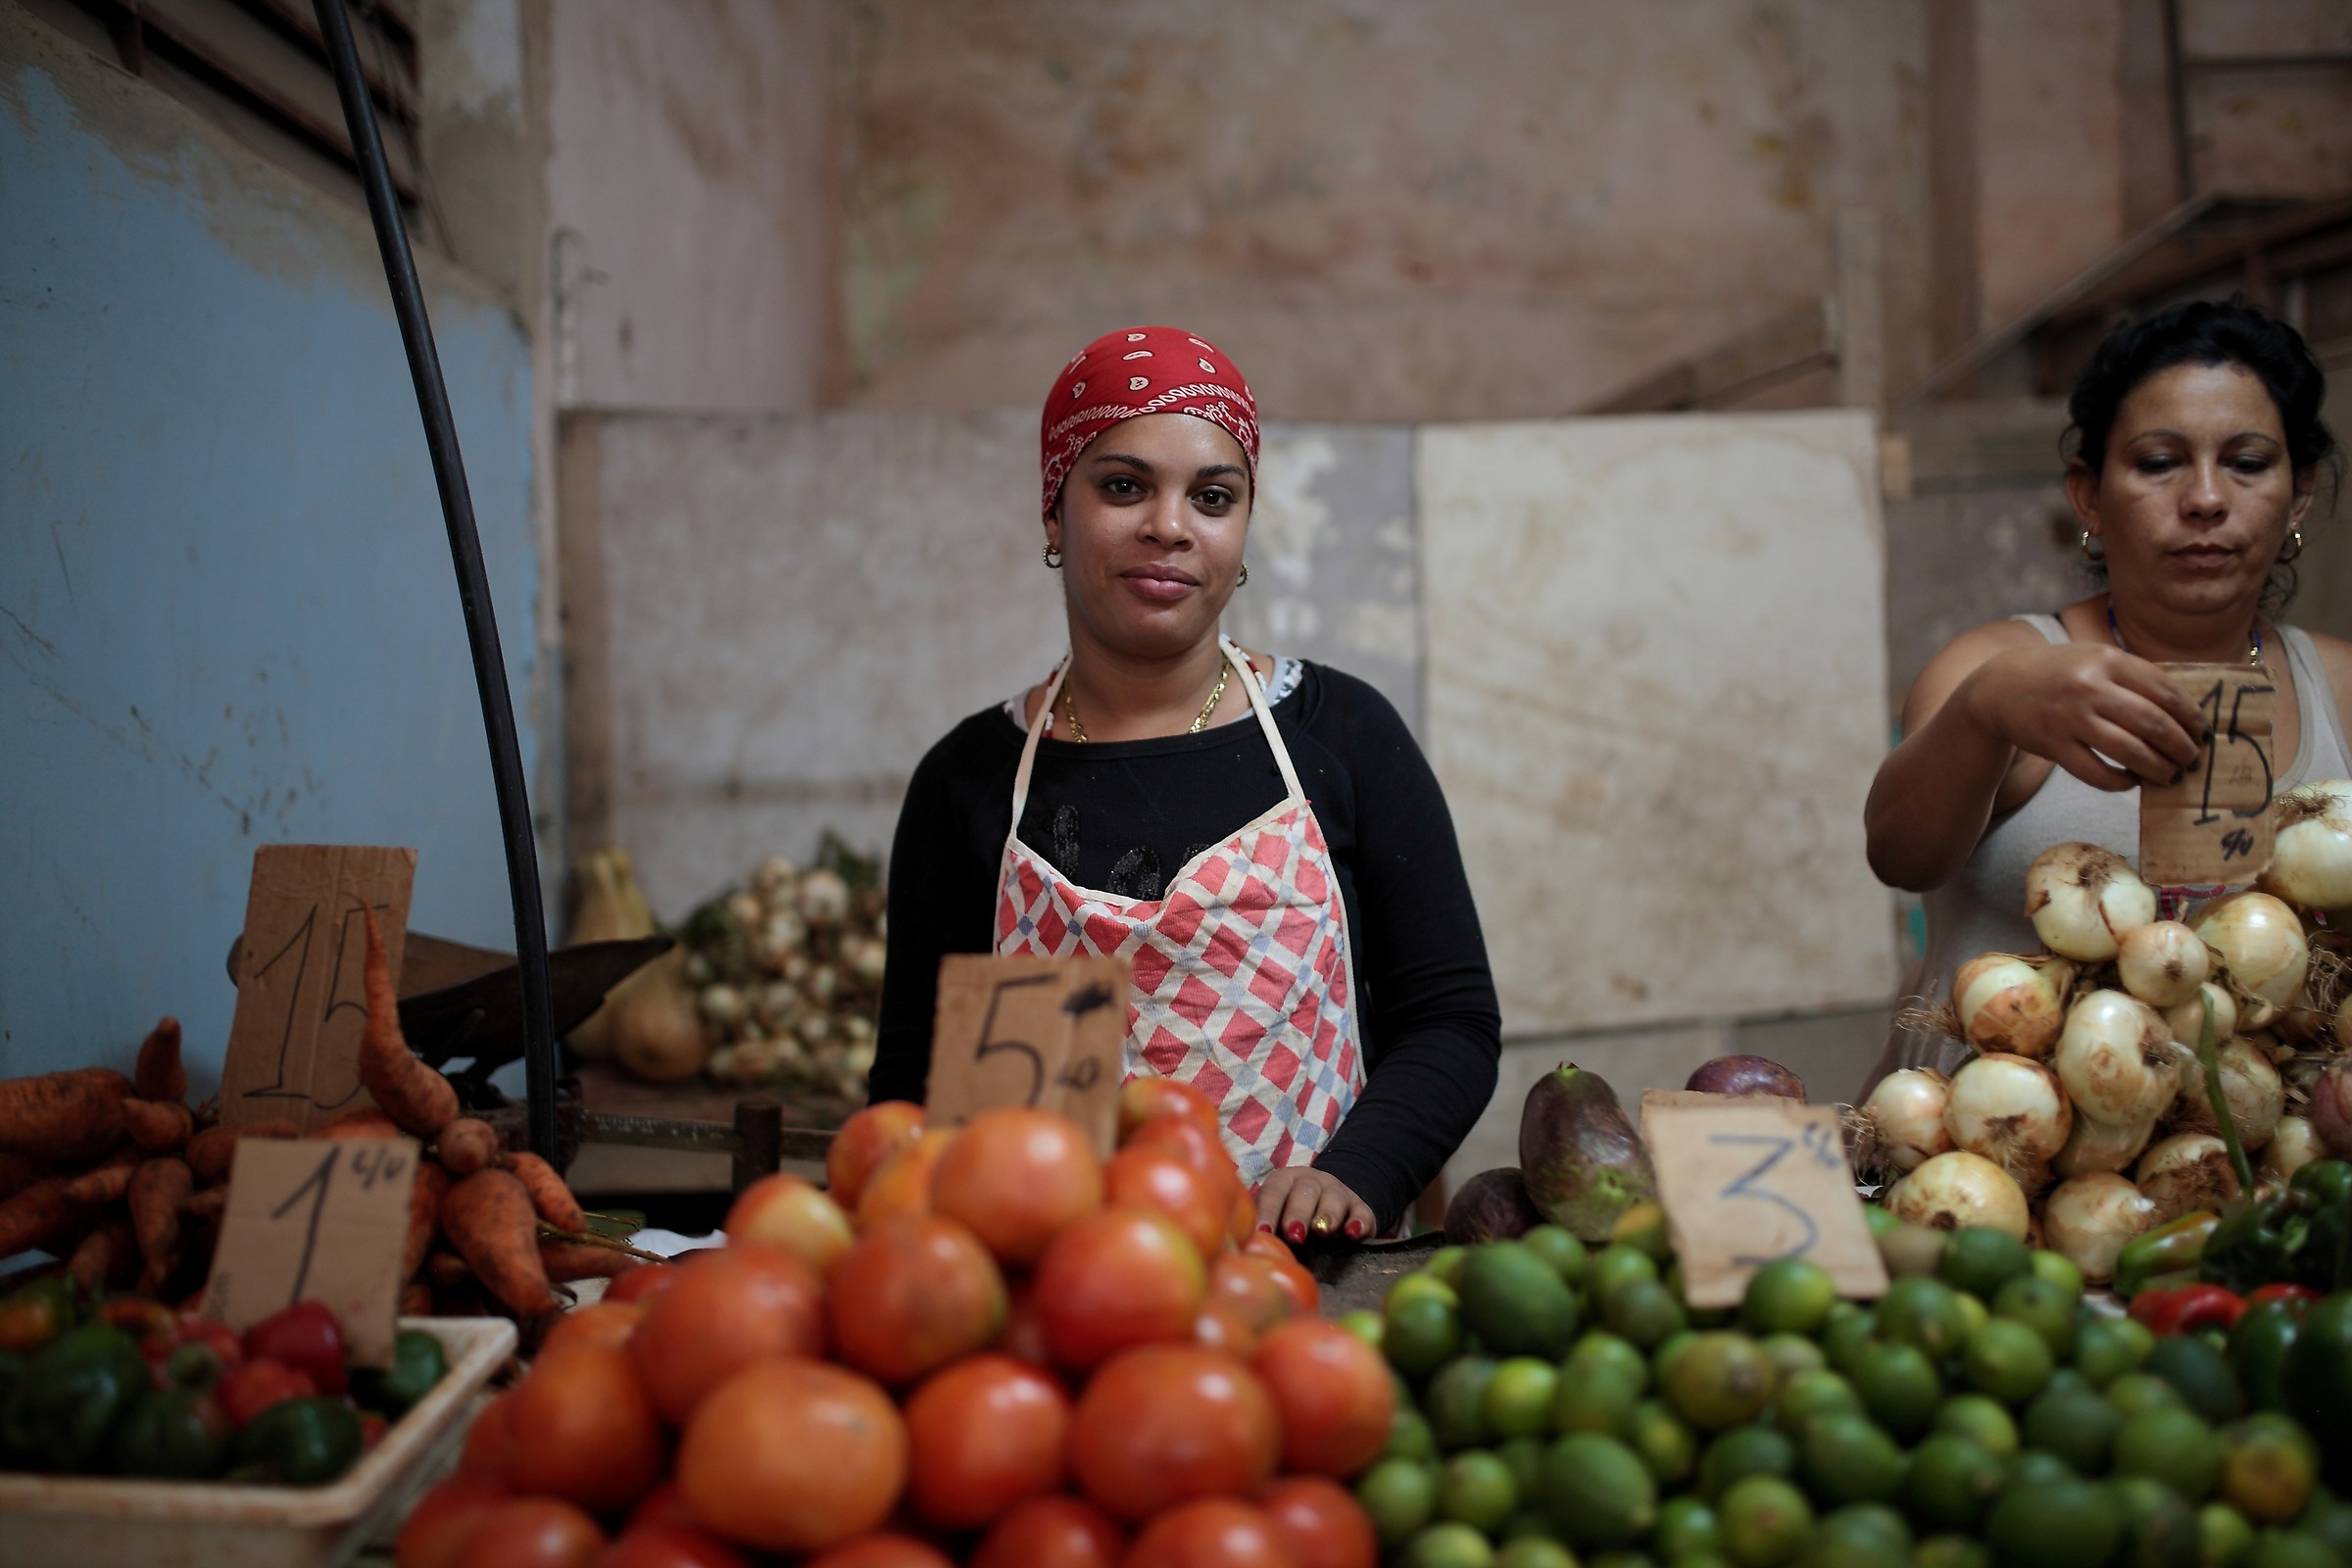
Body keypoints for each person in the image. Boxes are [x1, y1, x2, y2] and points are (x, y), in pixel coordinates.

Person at [869, 325, 1501, 1242]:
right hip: (1065, 1285)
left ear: (1241, 531)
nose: (1170, 526)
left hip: (1310, 1279)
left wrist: (1353, 1175)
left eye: (1212, 496)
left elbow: (1450, 1021)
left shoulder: (1343, 735)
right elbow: (914, 1080)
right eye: (1123, 486)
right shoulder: (968, 780)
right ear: (1054, 512)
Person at [1863, 298, 2351, 1090]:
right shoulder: (2002, 667)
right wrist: (1988, 709)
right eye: (2159, 462)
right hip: (1992, 1165)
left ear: (2299, 494)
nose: (2204, 499)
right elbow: (1899, 855)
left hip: (2265, 1177)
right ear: (2089, 495)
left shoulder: (2340, 687)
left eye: (2249, 463)